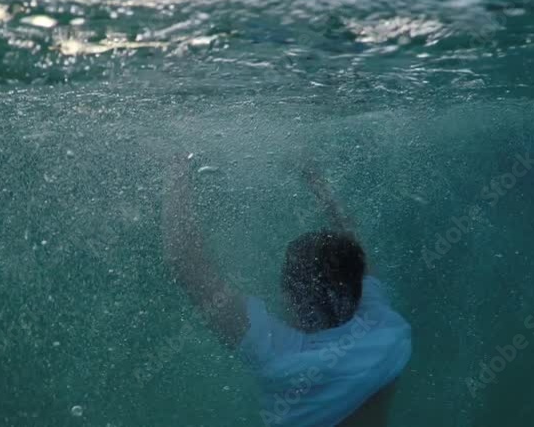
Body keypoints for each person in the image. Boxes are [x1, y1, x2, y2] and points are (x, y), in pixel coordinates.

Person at [162, 155, 413, 427]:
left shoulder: (283, 356)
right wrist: (316, 180)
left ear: (289, 296)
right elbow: (356, 249)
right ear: (357, 287)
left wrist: (178, 171)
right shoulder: (383, 328)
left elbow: (185, 261)